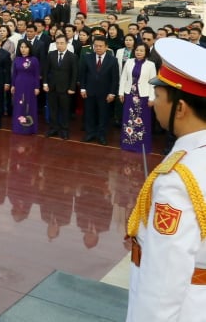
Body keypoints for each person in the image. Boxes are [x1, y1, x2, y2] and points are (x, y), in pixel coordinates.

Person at [125, 38, 206, 320]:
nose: (153, 104)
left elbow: (165, 276)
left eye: (158, 96)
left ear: (180, 108)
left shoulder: (179, 178)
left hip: (186, 306)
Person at [78, 36, 119, 146]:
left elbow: (115, 78)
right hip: (89, 91)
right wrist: (82, 88)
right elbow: (82, 75)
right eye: (96, 46)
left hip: (105, 93)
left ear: (106, 47)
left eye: (101, 46)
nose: (98, 48)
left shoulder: (113, 60)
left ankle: (101, 135)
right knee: (89, 114)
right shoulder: (88, 57)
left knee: (103, 115)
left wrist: (112, 93)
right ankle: (90, 133)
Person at [119, 43, 156, 154]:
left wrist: (152, 98)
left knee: (142, 120)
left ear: (146, 53)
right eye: (137, 50)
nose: (138, 52)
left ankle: (141, 144)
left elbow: (153, 83)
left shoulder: (151, 64)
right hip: (130, 94)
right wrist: (121, 93)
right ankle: (128, 142)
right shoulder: (129, 62)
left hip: (143, 96)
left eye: (141, 50)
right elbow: (123, 78)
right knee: (128, 119)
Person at [42, 35, 78, 139]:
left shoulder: (72, 56)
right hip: (52, 87)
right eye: (57, 43)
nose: (59, 45)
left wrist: (72, 88)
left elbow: (74, 74)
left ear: (67, 44)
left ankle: (65, 130)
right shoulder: (51, 55)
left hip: (66, 89)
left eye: (62, 43)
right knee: (53, 109)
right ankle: (53, 128)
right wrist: (45, 83)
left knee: (65, 110)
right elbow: (46, 70)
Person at [11, 40, 41, 135]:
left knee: (29, 105)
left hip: (30, 85)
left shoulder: (34, 60)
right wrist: (13, 85)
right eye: (21, 47)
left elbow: (37, 74)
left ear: (29, 48)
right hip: (19, 85)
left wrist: (37, 87)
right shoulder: (17, 59)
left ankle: (29, 128)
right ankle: (18, 127)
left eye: (25, 47)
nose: (23, 49)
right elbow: (14, 74)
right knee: (19, 105)